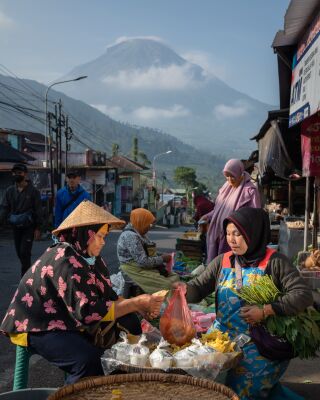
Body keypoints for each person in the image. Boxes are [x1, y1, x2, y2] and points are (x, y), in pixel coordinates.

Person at [0, 200, 166, 384]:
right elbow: (88, 312)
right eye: (100, 236)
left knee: (130, 321)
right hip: (36, 324)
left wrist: (138, 308)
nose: (103, 242)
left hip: (65, 317)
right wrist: (136, 303)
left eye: (105, 236)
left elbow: (108, 297)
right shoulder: (65, 259)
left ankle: (117, 381)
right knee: (88, 362)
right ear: (85, 235)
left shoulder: (90, 258)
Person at [175, 207, 313, 399]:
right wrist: (184, 290)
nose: (231, 240)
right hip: (221, 340)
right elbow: (199, 287)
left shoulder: (275, 262)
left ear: (253, 233)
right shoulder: (222, 261)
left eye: (237, 234)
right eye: (228, 234)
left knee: (242, 392)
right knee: (206, 386)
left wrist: (266, 310)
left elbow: (303, 295)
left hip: (257, 342)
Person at [200, 158, 261, 263]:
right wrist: (208, 216)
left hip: (235, 239)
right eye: (227, 176)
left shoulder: (249, 191)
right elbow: (217, 209)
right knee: (218, 266)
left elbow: (256, 216)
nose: (229, 179)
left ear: (240, 173)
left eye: (232, 175)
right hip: (218, 235)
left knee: (231, 266)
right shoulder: (226, 188)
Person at [117, 208, 180, 294]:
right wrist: (162, 258)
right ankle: (163, 306)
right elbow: (143, 261)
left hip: (141, 267)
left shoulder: (140, 233)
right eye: (148, 224)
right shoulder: (130, 236)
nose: (149, 227)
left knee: (174, 277)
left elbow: (147, 251)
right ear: (141, 222)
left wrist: (161, 255)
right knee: (167, 285)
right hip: (134, 269)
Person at [0, 163, 42, 276]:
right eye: (14, 173)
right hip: (15, 227)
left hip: (28, 227)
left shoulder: (34, 192)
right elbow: (4, 208)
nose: (17, 175)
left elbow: (38, 210)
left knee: (24, 252)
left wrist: (38, 228)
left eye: (20, 173)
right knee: (19, 252)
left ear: (25, 174)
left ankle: (26, 276)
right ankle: (28, 272)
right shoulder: (9, 191)